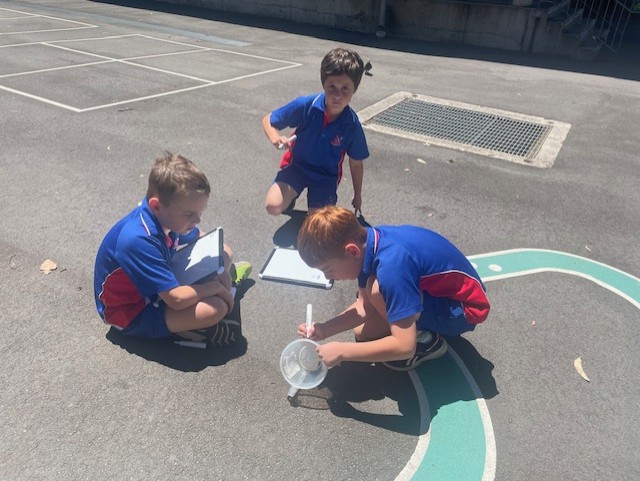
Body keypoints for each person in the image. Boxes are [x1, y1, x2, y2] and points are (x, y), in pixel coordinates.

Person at [296, 206, 490, 371]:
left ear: (351, 251)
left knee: (376, 290)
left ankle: (426, 341)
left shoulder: (392, 269)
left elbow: (404, 347)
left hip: (464, 310)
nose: (328, 277)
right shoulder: (367, 243)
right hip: (441, 293)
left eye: (328, 270)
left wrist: (342, 351)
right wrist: (324, 329)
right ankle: (413, 323)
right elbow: (364, 307)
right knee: (363, 332)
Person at [94, 152, 251, 345]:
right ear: (157, 206)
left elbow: (202, 236)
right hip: (132, 312)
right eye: (189, 214)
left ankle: (222, 287)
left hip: (157, 287)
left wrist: (219, 270)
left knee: (224, 251)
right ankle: (193, 325)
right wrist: (215, 286)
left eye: (200, 212)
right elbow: (176, 299)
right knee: (215, 308)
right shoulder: (138, 240)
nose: (198, 220)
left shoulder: (164, 217)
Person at [262, 47, 369, 216]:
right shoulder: (306, 105)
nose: (337, 95)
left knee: (318, 223)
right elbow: (268, 119)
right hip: (297, 167)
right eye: (332, 87)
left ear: (354, 89)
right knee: (273, 206)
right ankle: (290, 197)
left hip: (325, 177)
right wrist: (276, 137)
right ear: (323, 84)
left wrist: (358, 195)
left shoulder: (352, 124)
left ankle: (315, 205)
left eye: (345, 88)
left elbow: (356, 163)